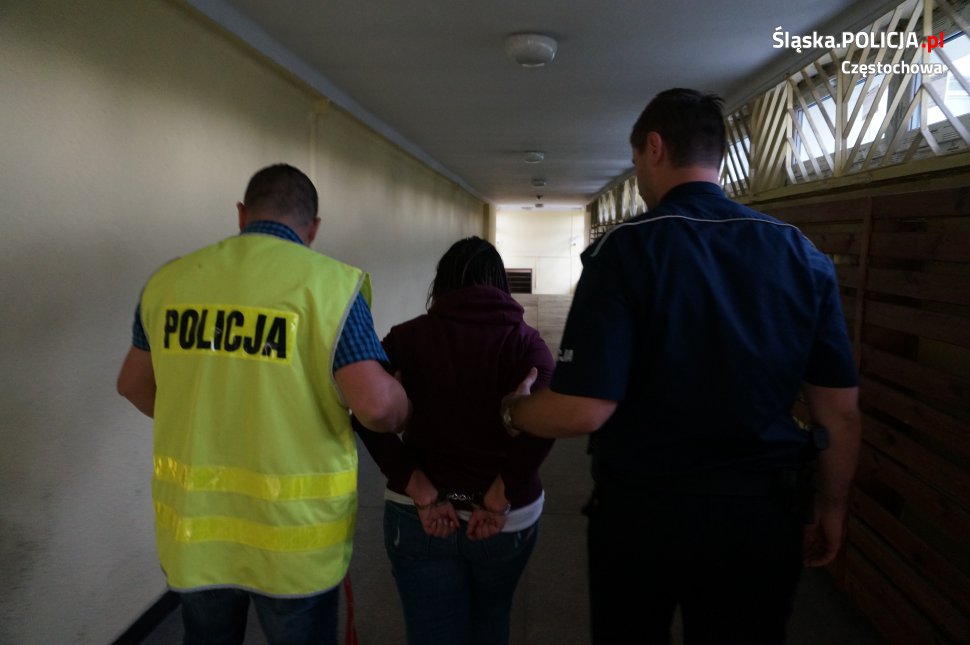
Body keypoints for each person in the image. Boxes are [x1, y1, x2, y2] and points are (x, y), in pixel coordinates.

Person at [500, 89, 862, 645]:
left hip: (642, 511)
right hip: (760, 512)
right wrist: (832, 507)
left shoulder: (624, 249)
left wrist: (514, 412)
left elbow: (582, 409)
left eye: (636, 161)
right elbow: (839, 415)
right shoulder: (801, 254)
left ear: (654, 147)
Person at [116, 163, 411, 645]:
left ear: (241, 214)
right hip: (292, 543)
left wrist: (194, 415)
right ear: (314, 228)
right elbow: (377, 408)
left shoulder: (169, 282)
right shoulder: (330, 286)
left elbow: (132, 384)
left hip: (197, 538)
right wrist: (403, 402)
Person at [355, 236, 555, 645]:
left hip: (418, 515)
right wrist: (498, 496)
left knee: (432, 632)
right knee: (491, 619)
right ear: (500, 284)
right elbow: (545, 428)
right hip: (506, 519)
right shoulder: (529, 345)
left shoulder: (405, 339)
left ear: (442, 283)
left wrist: (420, 489)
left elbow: (365, 416)